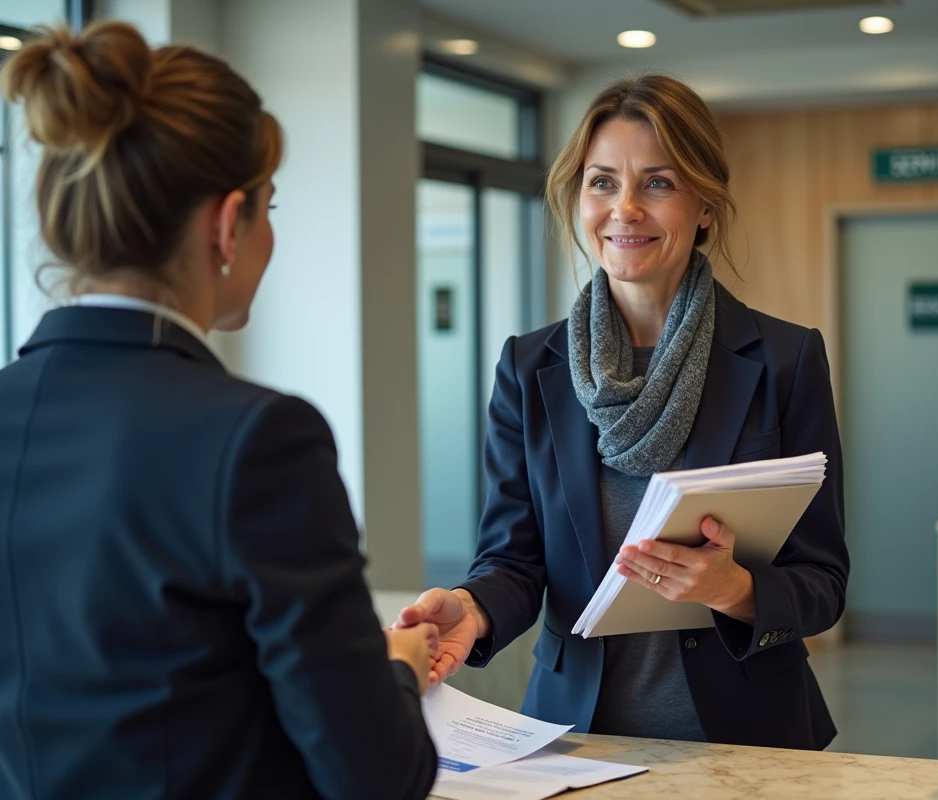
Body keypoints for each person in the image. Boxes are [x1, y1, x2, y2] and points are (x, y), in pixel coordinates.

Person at [0, 22, 437, 800]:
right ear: (227, 223)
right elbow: (376, 778)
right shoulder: (259, 440)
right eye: (269, 206)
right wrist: (396, 673)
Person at [399, 75, 848, 750]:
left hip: (749, 739)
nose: (625, 208)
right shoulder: (529, 368)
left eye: (658, 183)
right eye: (602, 181)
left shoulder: (785, 360)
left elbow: (823, 581)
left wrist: (737, 589)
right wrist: (469, 608)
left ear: (704, 205)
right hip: (575, 738)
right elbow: (514, 562)